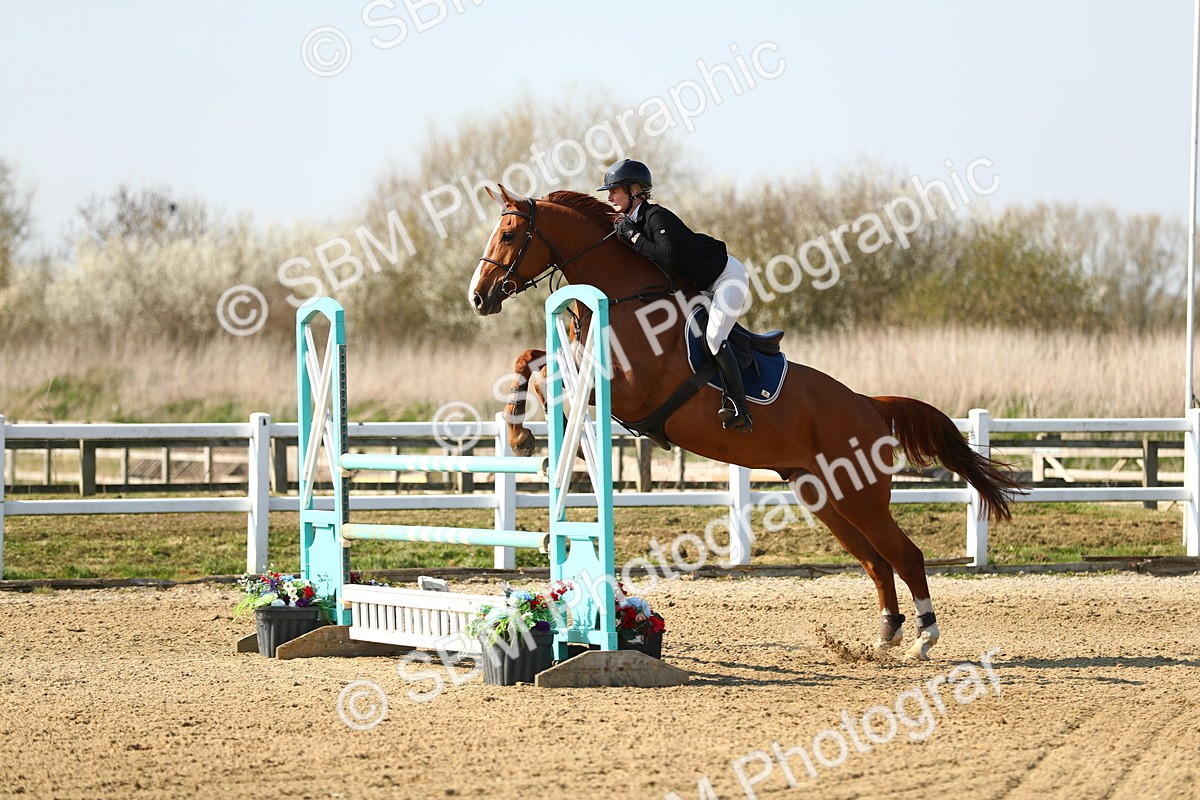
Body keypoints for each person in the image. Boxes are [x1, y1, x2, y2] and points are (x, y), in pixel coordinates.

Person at [599, 158, 753, 433]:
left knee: (715, 338)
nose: (610, 196)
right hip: (701, 286)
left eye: (615, 190)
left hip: (727, 278)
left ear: (634, 191)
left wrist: (633, 238)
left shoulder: (655, 216)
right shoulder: (633, 220)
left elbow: (667, 256)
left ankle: (739, 406)